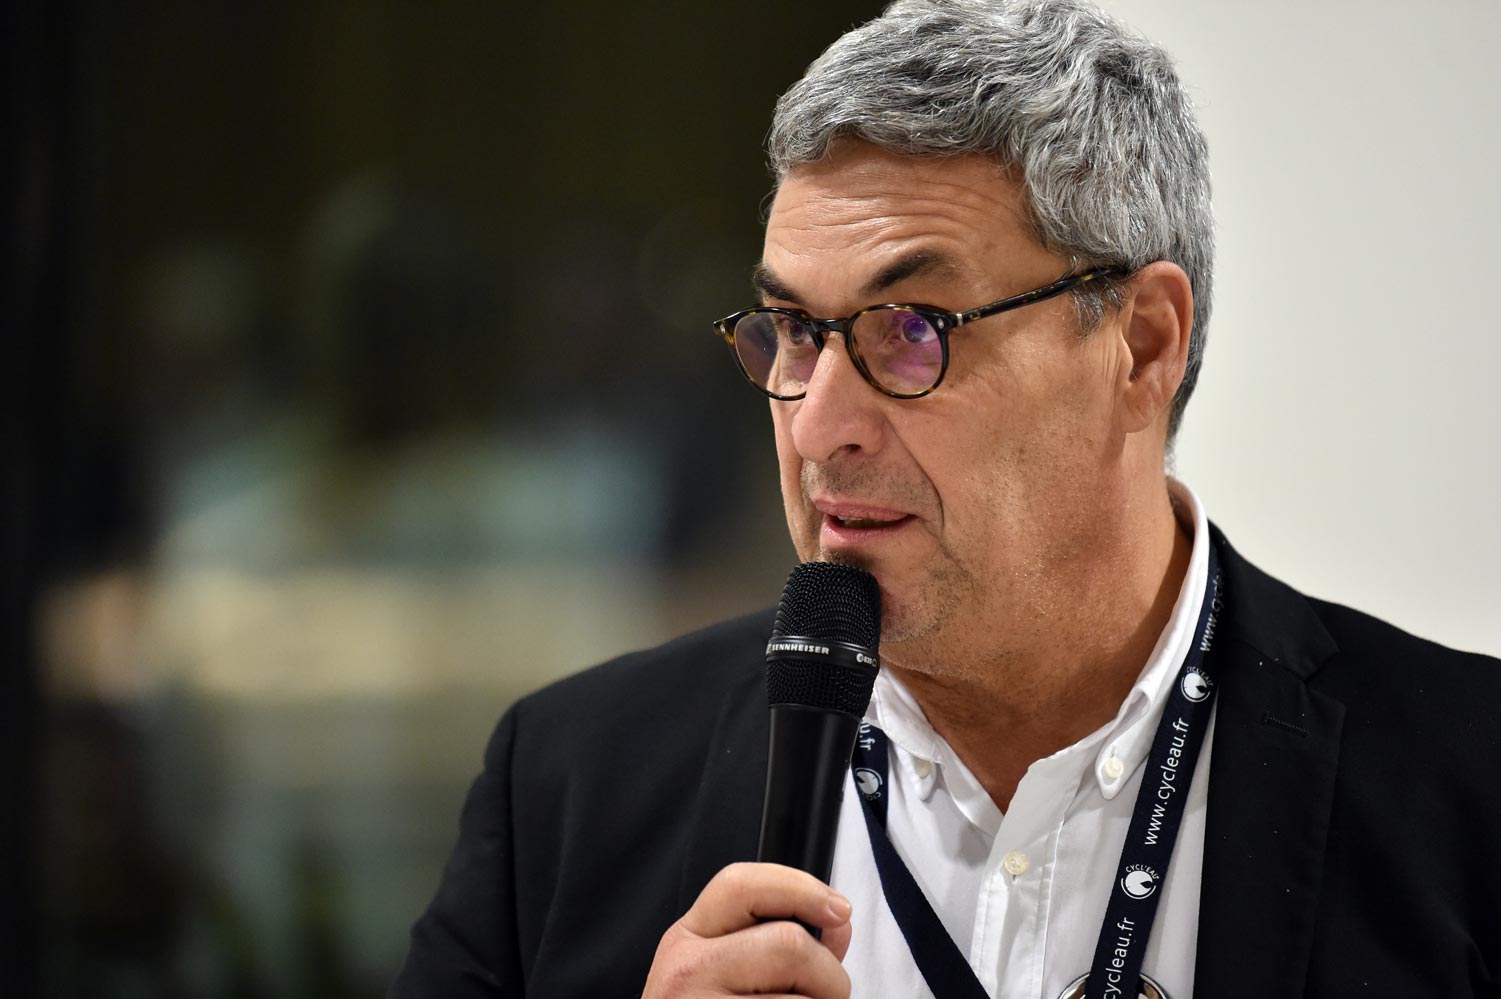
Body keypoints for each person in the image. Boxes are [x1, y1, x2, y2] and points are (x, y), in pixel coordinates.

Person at [391, 1, 1501, 996]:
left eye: (910, 330)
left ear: (1142, 345)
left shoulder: (1465, 788)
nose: (817, 426)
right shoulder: (573, 783)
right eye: (795, 331)